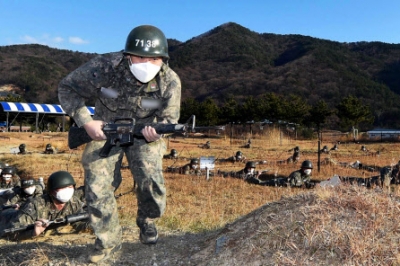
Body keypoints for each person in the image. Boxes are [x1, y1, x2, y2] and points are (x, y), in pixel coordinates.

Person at [58, 25, 181, 263]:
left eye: (154, 58)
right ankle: (108, 244)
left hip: (143, 134)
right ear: (127, 55)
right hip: (104, 132)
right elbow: (67, 88)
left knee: (151, 181)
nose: (147, 63)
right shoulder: (104, 67)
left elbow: (169, 118)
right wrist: (86, 122)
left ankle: (147, 220)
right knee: (97, 184)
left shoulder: (170, 81)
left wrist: (157, 132)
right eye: (140, 57)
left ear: (163, 59)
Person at [0, 171, 87, 241]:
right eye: (62, 188)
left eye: (70, 187)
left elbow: (79, 222)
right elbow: (12, 233)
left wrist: (95, 224)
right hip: (6, 218)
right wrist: (34, 232)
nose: (67, 191)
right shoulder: (35, 205)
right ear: (52, 191)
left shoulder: (74, 202)